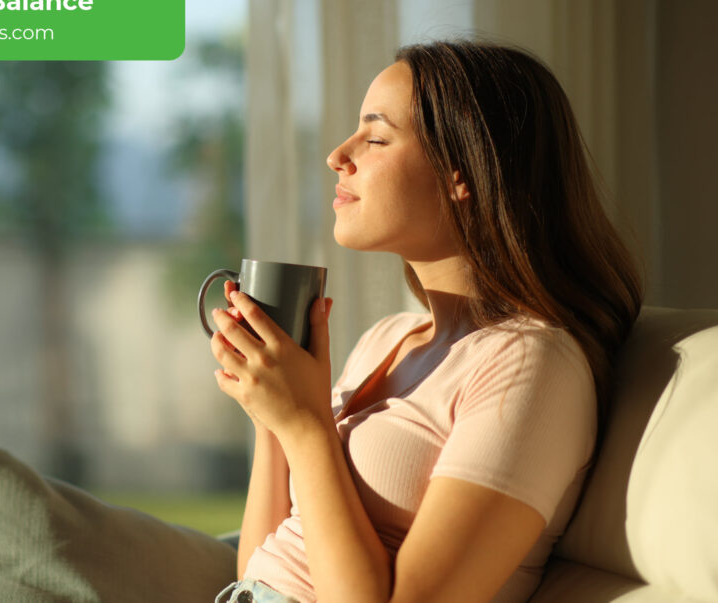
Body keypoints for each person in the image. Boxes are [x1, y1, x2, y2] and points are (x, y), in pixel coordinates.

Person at [209, 40, 643, 603]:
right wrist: (271, 409)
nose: (338, 155)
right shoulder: (386, 340)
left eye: (377, 137)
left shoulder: (532, 363)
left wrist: (305, 425)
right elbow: (264, 571)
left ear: (462, 175)